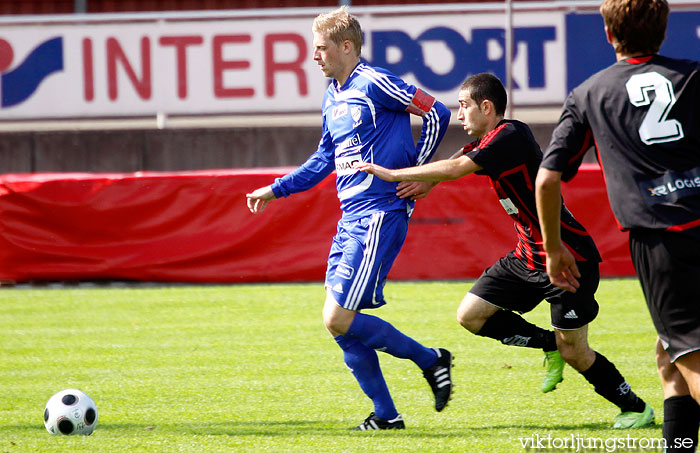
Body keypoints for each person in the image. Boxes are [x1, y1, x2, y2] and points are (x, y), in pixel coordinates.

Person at [359, 72, 654, 428]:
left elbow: (456, 167)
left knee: (575, 351)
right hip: (527, 257)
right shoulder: (491, 139)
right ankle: (548, 343)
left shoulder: (510, 135)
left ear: (487, 107)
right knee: (470, 315)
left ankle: (636, 408)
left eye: (465, 106)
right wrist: (429, 181)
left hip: (567, 259)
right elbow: (462, 157)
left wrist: (393, 174)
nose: (459, 114)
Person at [245, 6, 453, 431]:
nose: (314, 56)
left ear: (346, 46)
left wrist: (417, 174)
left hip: (379, 214)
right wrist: (275, 188)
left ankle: (430, 360)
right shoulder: (333, 95)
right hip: (350, 220)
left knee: (338, 317)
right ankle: (387, 416)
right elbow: (324, 158)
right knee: (339, 325)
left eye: (320, 48)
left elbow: (436, 111)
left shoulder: (374, 82)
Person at [535, 0, 700, 449]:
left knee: (689, 356)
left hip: (665, 241)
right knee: (670, 360)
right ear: (664, 30)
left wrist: (553, 249)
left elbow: (547, 179)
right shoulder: (693, 75)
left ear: (608, 33)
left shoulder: (590, 93)